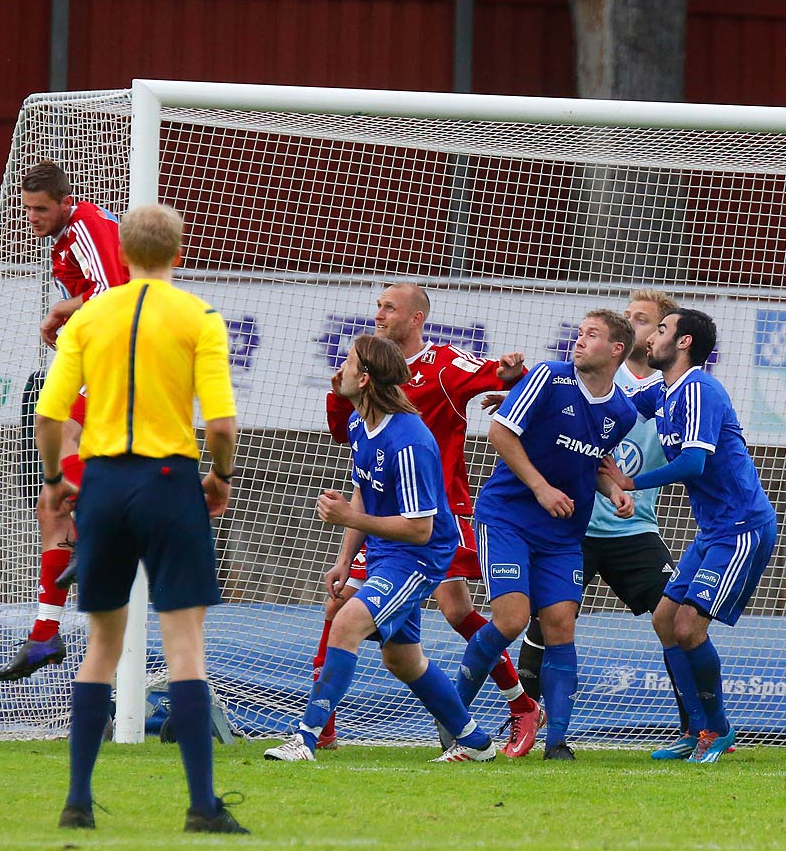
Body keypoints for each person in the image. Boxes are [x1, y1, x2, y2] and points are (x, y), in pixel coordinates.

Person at [34, 203, 246, 833]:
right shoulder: (197, 316)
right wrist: (220, 479)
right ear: (179, 253)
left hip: (102, 483)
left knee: (101, 644)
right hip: (167, 479)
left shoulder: (90, 316)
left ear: (121, 255)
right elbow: (223, 425)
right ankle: (202, 807)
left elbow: (50, 418)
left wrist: (54, 482)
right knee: (185, 646)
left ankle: (77, 801)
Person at [312, 283, 535, 749]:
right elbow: (344, 433)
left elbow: (507, 375)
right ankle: (324, 728)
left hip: (434, 516)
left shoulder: (446, 365)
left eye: (389, 307)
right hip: (385, 512)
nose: (379, 314)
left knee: (456, 613)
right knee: (346, 610)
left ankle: (521, 706)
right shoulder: (365, 370)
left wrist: (513, 379)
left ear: (416, 319)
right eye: (377, 305)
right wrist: (340, 388)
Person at [264, 335, 497, 764]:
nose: (340, 369)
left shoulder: (409, 441)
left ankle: (306, 738)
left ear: (366, 378)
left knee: (345, 623)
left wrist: (351, 521)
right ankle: (476, 742)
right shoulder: (359, 423)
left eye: (348, 362)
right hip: (385, 551)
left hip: (419, 556)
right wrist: (343, 558)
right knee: (403, 661)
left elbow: (421, 530)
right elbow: (363, 492)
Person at [506, 290, 689, 757]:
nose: (633, 324)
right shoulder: (592, 380)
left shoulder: (674, 394)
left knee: (677, 618)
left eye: (645, 320)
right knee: (545, 622)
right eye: (628, 317)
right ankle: (527, 718)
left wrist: (625, 488)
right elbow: (549, 402)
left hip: (635, 532)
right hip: (576, 527)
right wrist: (510, 385)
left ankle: (698, 725)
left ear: (659, 335)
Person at [455, 311, 640, 760]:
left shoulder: (623, 412)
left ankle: (557, 740)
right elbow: (500, 431)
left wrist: (614, 489)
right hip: (508, 517)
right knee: (513, 620)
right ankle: (454, 716)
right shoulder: (548, 377)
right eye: (577, 333)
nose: (578, 341)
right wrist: (540, 488)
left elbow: (591, 462)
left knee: (560, 626)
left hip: (561, 534)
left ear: (616, 350)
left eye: (590, 335)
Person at [601, 308, 779, 764]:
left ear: (683, 343)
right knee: (664, 619)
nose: (651, 338)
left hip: (741, 529)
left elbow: (694, 463)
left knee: (687, 625)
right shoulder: (661, 390)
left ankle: (717, 730)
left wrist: (628, 482)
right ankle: (694, 727)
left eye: (661, 329)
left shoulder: (699, 388)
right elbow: (614, 407)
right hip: (713, 530)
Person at [0, 159, 129, 682]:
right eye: (26, 209)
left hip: (120, 362)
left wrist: (61, 310)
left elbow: (115, 292)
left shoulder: (86, 227)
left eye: (40, 208)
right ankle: (45, 635)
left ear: (64, 201)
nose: (31, 217)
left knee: (61, 433)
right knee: (50, 509)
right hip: (98, 360)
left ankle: (97, 534)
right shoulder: (70, 234)